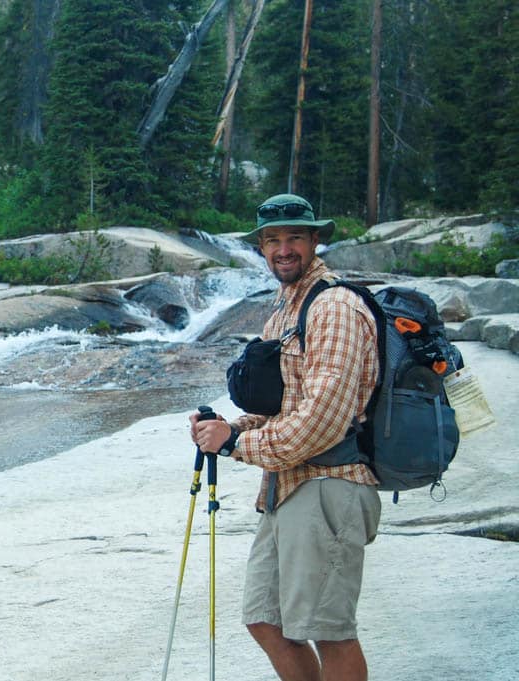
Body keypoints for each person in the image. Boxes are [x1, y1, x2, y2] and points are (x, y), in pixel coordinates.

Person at [190, 193, 381, 681]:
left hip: (331, 483)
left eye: (295, 236)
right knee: (265, 620)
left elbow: (321, 421)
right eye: (272, 239)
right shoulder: (284, 310)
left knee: (329, 629)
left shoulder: (334, 306)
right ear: (260, 247)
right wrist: (229, 428)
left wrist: (235, 445)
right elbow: (279, 410)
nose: (283, 248)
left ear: (316, 240)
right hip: (288, 486)